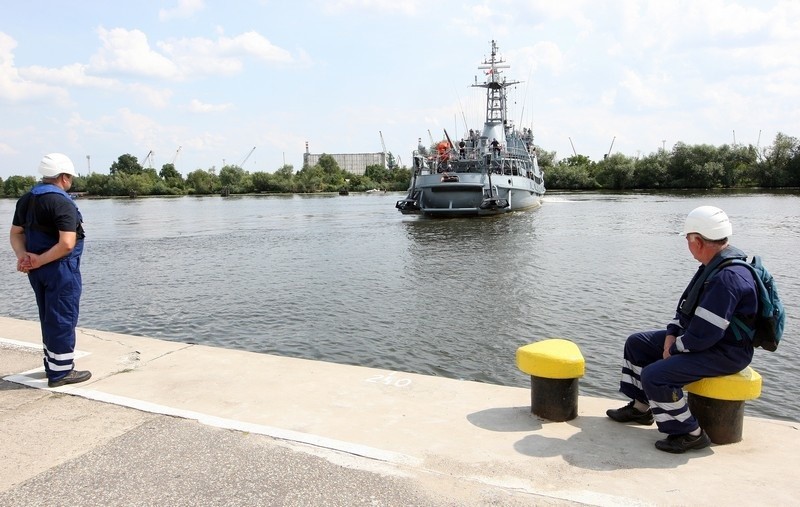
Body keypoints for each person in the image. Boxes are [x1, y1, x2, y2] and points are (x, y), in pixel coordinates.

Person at [606, 206, 757, 453]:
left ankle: (689, 433)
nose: (687, 244)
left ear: (697, 241)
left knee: (656, 375)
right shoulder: (713, 265)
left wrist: (675, 348)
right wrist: (671, 334)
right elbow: (686, 309)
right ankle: (641, 408)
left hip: (727, 351)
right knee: (638, 343)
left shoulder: (728, 278)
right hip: (708, 340)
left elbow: (705, 333)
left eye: (687, 239)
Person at [10, 153, 91, 388]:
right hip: (59, 268)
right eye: (71, 178)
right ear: (64, 177)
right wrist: (39, 260)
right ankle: (61, 372)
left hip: (38, 271)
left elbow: (16, 233)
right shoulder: (62, 202)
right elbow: (66, 244)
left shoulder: (27, 199)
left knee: (48, 316)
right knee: (62, 317)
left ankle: (52, 365)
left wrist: (24, 257)